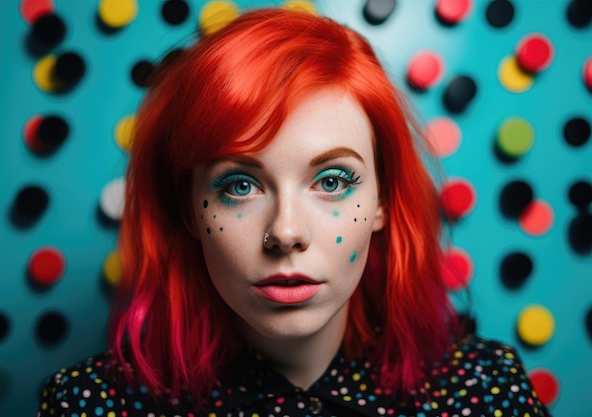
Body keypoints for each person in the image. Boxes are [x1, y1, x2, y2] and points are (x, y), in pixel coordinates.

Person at [37, 8, 551, 417]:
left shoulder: (482, 392)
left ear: (381, 202)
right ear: (189, 210)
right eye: (239, 185)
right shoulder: (93, 405)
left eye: (331, 182)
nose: (285, 232)